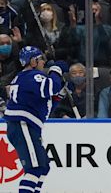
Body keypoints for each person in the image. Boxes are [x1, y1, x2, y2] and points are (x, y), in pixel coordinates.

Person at [3, 46, 68, 193]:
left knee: (44, 166)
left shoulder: (24, 78)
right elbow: (52, 86)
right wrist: (56, 69)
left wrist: (58, 97)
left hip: (26, 126)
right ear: (33, 61)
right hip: (23, 125)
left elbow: (43, 105)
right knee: (35, 168)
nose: (43, 63)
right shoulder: (32, 76)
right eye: (41, 59)